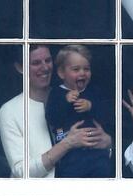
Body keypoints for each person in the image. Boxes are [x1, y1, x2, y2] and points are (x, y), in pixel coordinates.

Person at [0, 45, 112, 178]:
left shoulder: (75, 94)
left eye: (48, 60)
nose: (45, 67)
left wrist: (108, 143)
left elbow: (105, 125)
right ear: (20, 67)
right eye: (36, 63)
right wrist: (67, 143)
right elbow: (21, 171)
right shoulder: (10, 111)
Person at [45, 45, 112, 177]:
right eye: (76, 69)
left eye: (86, 69)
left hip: (96, 152)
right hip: (71, 155)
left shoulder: (94, 91)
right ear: (61, 73)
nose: (82, 73)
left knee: (103, 172)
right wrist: (65, 101)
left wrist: (91, 106)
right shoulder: (57, 93)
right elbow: (52, 117)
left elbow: (107, 115)